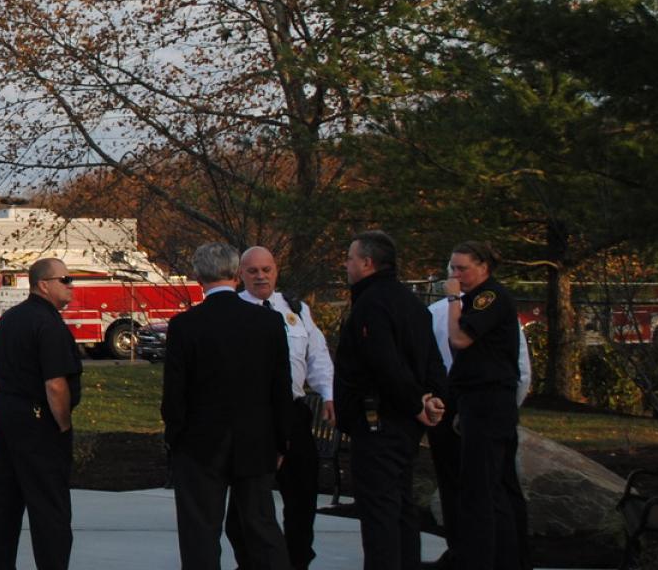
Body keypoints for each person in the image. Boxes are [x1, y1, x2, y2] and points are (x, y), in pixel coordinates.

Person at [162, 243, 291, 570]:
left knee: (200, 532)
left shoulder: (184, 326)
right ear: (236, 275)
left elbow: (175, 393)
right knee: (261, 525)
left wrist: (175, 437)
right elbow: (280, 388)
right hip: (256, 440)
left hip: (199, 443)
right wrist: (281, 440)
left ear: (197, 276)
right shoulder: (269, 323)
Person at [334, 230, 447, 570]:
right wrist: (434, 398)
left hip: (378, 421)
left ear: (367, 263)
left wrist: (416, 403)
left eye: (351, 258)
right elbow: (432, 360)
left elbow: (383, 363)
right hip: (405, 426)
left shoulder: (372, 304)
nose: (347, 264)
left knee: (380, 511)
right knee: (401, 505)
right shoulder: (412, 304)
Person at [227, 246, 335, 570]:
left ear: (276, 271)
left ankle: (296, 560)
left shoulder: (295, 309)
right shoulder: (232, 312)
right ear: (240, 275)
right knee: (247, 501)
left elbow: (317, 355)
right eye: (253, 271)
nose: (261, 276)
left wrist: (329, 393)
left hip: (293, 413)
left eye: (267, 269)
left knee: (301, 496)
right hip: (253, 416)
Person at [426, 259, 534, 570]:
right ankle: (469, 552)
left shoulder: (492, 303)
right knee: (468, 487)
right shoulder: (436, 314)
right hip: (455, 403)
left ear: (484, 268)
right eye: (450, 269)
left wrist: (505, 406)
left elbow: (517, 364)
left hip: (485, 403)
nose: (454, 276)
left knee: (490, 487)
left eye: (462, 269)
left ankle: (499, 556)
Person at [0, 258, 84, 570]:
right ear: (44, 284)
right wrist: (64, 425)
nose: (71, 286)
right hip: (37, 416)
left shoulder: (11, 318)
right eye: (65, 280)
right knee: (49, 506)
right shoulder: (48, 323)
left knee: (7, 502)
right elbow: (55, 384)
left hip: (5, 412)